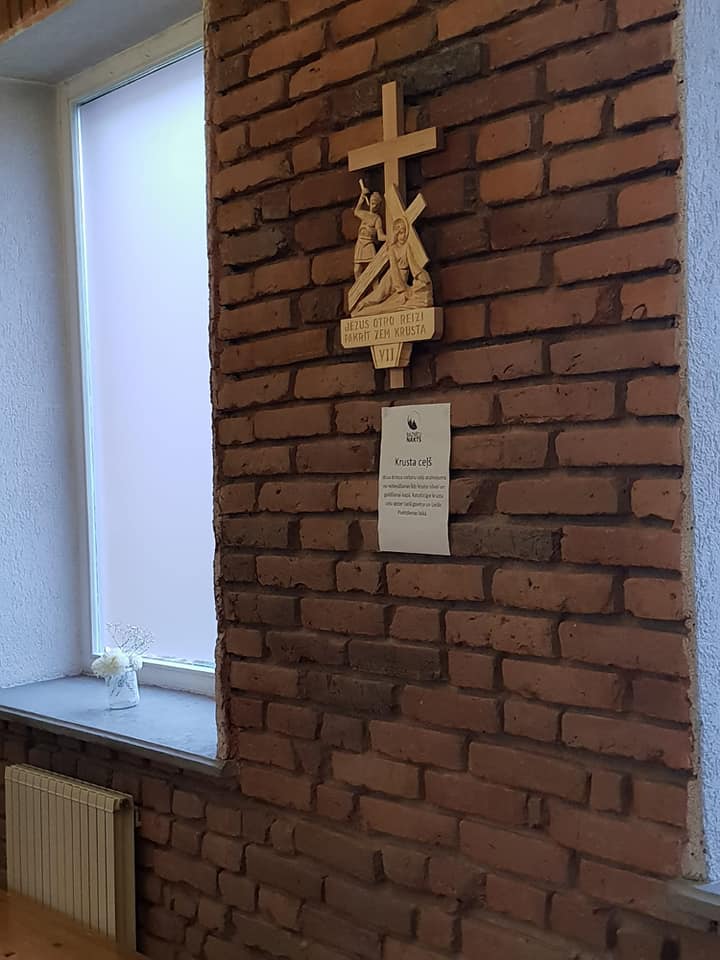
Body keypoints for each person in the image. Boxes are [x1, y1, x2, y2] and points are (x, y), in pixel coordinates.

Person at [353, 183, 385, 280]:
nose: (373, 206)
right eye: (371, 202)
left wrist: (390, 237)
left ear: (378, 206)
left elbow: (380, 236)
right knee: (357, 270)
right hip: (360, 243)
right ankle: (358, 287)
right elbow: (356, 211)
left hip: (369, 244)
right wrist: (362, 197)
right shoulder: (364, 214)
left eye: (375, 204)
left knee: (372, 269)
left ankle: (376, 287)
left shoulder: (377, 219)